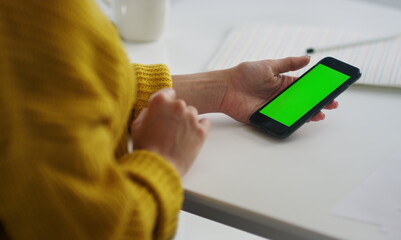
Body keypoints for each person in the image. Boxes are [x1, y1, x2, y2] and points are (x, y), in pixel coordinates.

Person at [0, 1, 338, 240]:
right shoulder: (40, 15)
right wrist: (161, 161)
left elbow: (50, 86)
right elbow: (90, 231)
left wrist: (221, 88)